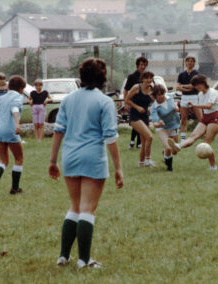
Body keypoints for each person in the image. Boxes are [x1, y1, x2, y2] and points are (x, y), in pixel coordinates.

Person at [48, 58, 124, 269]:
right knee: (88, 209)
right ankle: (84, 260)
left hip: (70, 157)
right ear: (103, 78)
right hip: (93, 158)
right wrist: (118, 167)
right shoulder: (105, 101)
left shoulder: (68, 99)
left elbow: (58, 130)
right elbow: (110, 137)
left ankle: (63, 256)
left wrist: (53, 161)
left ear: (81, 77)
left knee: (75, 207)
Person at [168, 74, 218, 170]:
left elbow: (209, 106)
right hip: (205, 117)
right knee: (193, 136)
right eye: (195, 85)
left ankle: (213, 166)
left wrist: (194, 106)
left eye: (198, 84)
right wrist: (191, 106)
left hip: (215, 117)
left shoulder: (212, 92)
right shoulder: (200, 94)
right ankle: (178, 146)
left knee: (206, 143)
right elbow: (200, 106)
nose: (196, 87)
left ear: (203, 83)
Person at [0, 75, 25, 195]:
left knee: (3, 160)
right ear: (20, 88)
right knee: (19, 158)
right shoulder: (18, 97)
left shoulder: (2, 98)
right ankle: (15, 188)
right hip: (10, 129)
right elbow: (14, 109)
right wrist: (17, 124)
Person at [125, 71, 155, 167]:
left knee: (144, 141)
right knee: (150, 137)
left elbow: (156, 102)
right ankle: (148, 160)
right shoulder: (136, 87)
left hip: (145, 116)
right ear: (142, 79)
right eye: (147, 78)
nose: (149, 80)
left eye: (151, 78)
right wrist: (137, 107)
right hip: (135, 116)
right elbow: (127, 100)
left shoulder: (152, 90)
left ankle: (141, 163)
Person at [150, 84, 180, 171]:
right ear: (155, 96)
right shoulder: (154, 107)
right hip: (162, 128)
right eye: (158, 95)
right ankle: (169, 168)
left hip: (173, 125)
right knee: (168, 147)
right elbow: (154, 124)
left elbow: (174, 104)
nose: (161, 96)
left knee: (175, 151)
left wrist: (176, 106)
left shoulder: (170, 96)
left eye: (162, 94)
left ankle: (165, 154)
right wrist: (159, 123)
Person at [123, 56, 149, 150]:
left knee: (141, 123)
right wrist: (125, 103)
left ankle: (137, 143)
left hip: (144, 104)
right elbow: (126, 90)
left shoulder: (147, 77)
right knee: (136, 123)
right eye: (141, 64)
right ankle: (133, 142)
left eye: (145, 65)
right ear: (137, 65)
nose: (143, 66)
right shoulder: (132, 77)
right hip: (134, 103)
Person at [176, 56, 202, 144]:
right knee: (183, 119)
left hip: (194, 96)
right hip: (184, 98)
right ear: (186, 63)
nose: (190, 63)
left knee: (200, 118)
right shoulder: (181, 75)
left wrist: (183, 86)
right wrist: (186, 88)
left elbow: (193, 86)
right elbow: (178, 87)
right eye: (188, 61)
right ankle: (183, 139)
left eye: (192, 61)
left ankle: (204, 134)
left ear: (194, 63)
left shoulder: (196, 73)